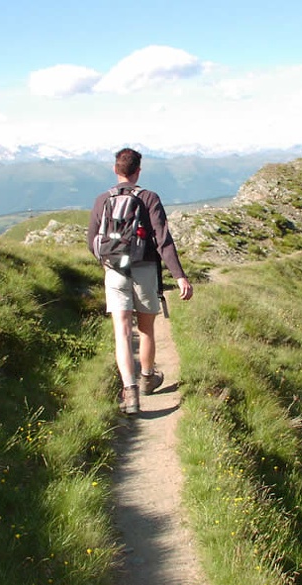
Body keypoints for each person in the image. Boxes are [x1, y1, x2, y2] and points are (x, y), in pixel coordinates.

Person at [87, 148, 193, 415]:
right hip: (144, 269)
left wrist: (109, 262)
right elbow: (163, 240)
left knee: (122, 333)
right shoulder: (149, 198)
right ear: (138, 171)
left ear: (115, 169)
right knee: (146, 328)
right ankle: (148, 378)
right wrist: (179, 276)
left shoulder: (102, 200)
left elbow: (92, 241)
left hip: (115, 271)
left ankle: (130, 392)